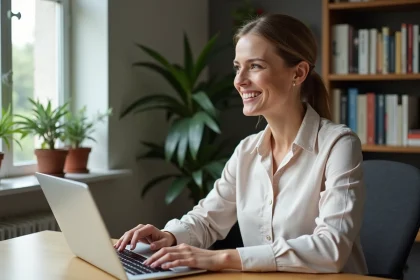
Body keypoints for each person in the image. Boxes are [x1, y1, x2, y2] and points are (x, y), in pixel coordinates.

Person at [114, 13, 368, 274]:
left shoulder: (338, 145)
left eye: (255, 66)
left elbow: (331, 249)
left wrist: (221, 259)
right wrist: (169, 236)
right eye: (238, 67)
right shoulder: (247, 150)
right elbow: (208, 219)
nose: (239, 80)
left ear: (299, 73)